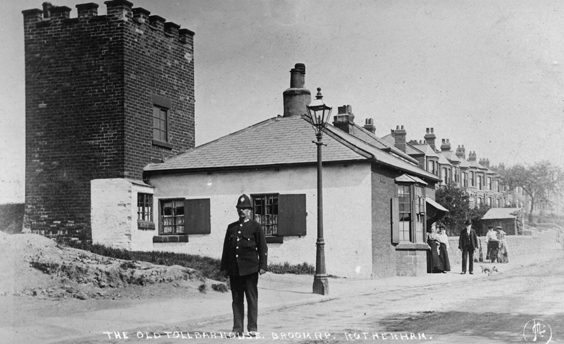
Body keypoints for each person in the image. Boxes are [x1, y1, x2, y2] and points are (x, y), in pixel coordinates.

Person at [220, 194, 268, 337]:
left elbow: (262, 248)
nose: (242, 211)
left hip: (250, 270)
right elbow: (226, 249)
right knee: (236, 300)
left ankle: (252, 328)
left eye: (245, 209)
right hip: (235, 270)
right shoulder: (231, 228)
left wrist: (263, 266)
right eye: (240, 209)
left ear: (250, 211)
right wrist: (225, 268)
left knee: (251, 298)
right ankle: (237, 329)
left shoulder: (256, 227)